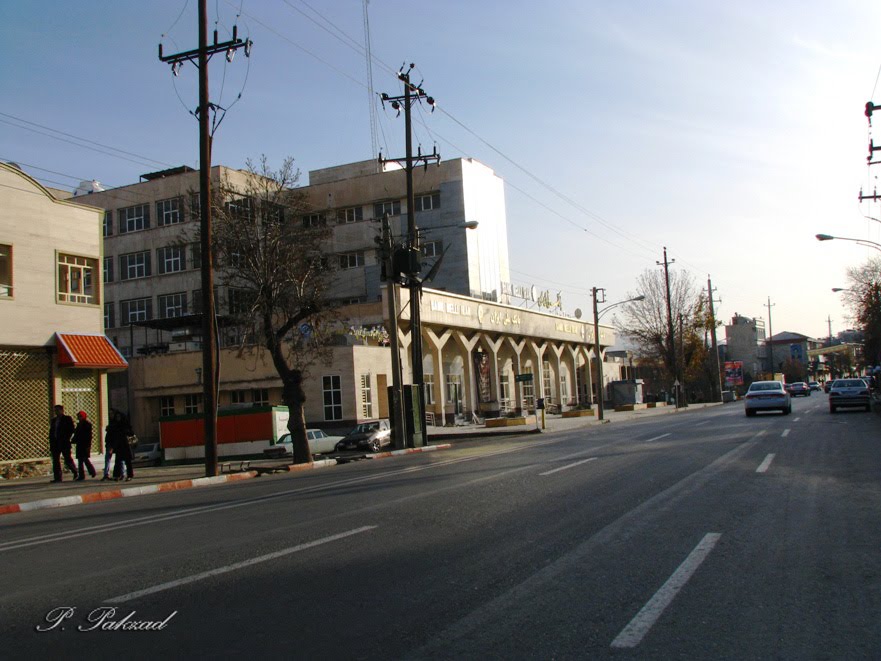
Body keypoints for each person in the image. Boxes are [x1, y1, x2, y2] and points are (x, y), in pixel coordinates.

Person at [49, 404, 77, 483]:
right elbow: (52, 431)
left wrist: (66, 437)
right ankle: (57, 477)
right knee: (56, 460)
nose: (56, 412)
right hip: (55, 443)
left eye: (57, 410)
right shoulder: (54, 420)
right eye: (55, 410)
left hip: (64, 442)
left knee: (67, 459)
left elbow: (71, 429)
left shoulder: (67, 419)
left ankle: (74, 471)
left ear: (62, 410)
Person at [107, 410, 134, 481]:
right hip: (119, 446)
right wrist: (112, 447)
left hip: (126, 445)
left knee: (128, 462)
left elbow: (131, 433)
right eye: (117, 417)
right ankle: (116, 475)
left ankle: (129, 475)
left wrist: (125, 432)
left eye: (119, 416)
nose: (118, 418)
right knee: (117, 461)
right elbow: (114, 437)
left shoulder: (125, 425)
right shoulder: (116, 426)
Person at [72, 410, 96, 480]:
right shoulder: (79, 424)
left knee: (85, 459)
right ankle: (81, 476)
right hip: (79, 444)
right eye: (78, 416)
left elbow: (88, 436)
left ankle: (92, 471)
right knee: (80, 460)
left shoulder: (87, 424)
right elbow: (76, 434)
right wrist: (73, 440)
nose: (79, 418)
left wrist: (88, 445)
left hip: (85, 444)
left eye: (80, 416)